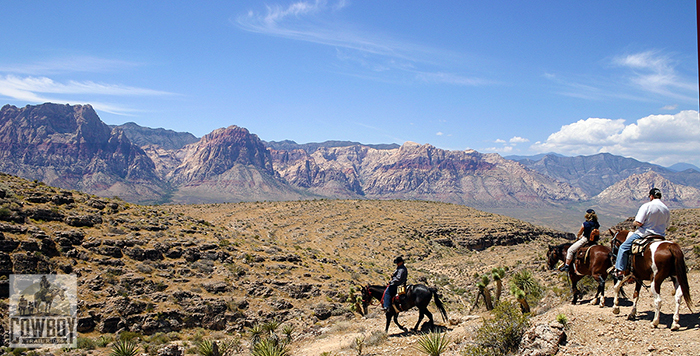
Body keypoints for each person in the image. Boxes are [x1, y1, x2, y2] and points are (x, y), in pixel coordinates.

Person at [613, 188, 670, 278]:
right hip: (660, 235)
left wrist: (634, 223)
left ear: (651, 196)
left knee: (623, 247)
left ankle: (620, 271)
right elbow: (666, 224)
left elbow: (639, 222)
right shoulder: (666, 209)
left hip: (644, 234)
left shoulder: (647, 206)